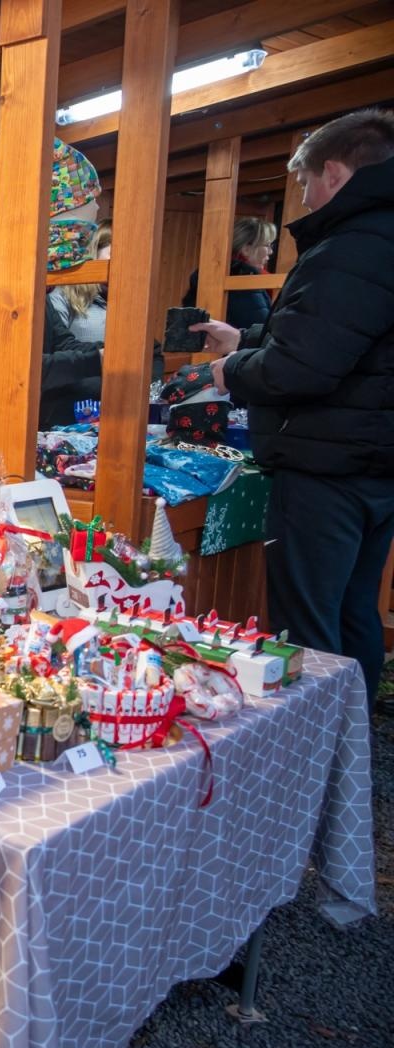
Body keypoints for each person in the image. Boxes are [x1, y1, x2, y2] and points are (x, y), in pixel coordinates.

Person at [194, 108, 394, 701]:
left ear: (334, 171)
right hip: (370, 462)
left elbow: (301, 368)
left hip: (327, 468)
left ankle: (310, 760)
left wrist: (232, 371)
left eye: (305, 181)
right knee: (355, 609)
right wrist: (248, 341)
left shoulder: (352, 247)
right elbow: (346, 348)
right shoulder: (375, 238)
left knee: (307, 627)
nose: (303, 198)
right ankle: (348, 744)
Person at [0, 138, 105, 428]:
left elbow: (64, 342)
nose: (96, 210)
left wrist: (112, 353)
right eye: (85, 206)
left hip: (13, 420)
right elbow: (18, 369)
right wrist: (97, 359)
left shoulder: (36, 294)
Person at [182, 216, 277, 331]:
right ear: (246, 249)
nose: (271, 252)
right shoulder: (245, 281)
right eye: (267, 245)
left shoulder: (210, 273)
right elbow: (262, 332)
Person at [50, 223, 112, 345]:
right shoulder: (66, 294)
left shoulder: (129, 302)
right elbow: (55, 347)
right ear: (95, 252)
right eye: (115, 253)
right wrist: (98, 354)